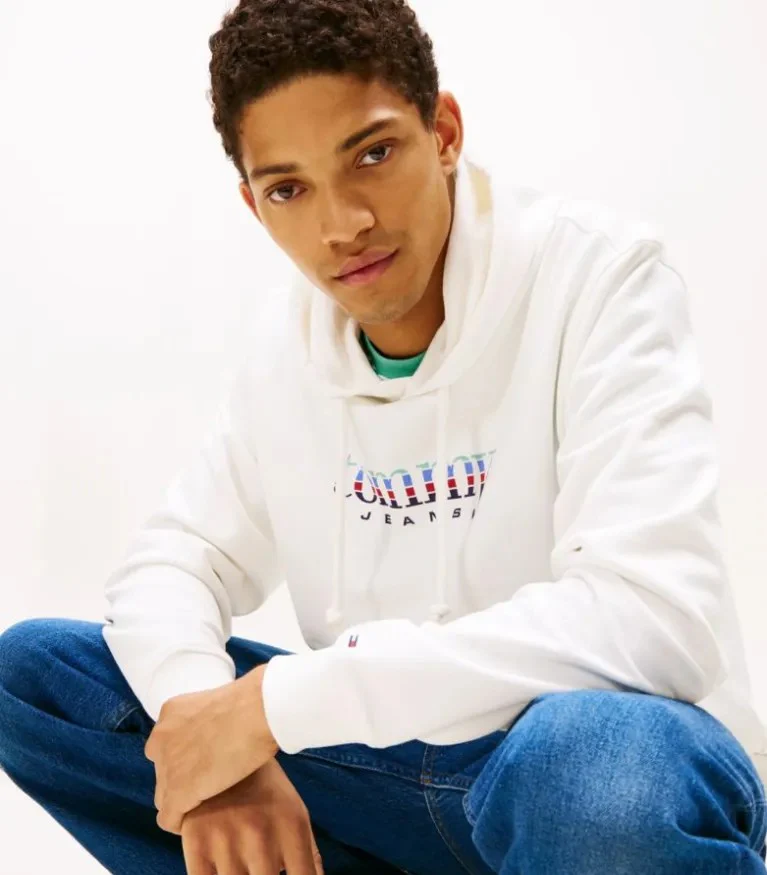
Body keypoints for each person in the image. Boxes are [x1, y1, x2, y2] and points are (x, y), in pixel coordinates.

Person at [1, 0, 765, 872]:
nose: (342, 225)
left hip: (602, 768)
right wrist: (216, 745)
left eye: (371, 154)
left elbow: (654, 619)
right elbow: (172, 564)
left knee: (592, 772)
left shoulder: (595, 274)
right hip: (399, 779)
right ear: (254, 205)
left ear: (443, 132)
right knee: (37, 676)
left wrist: (273, 707)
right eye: (288, 189)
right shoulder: (286, 347)